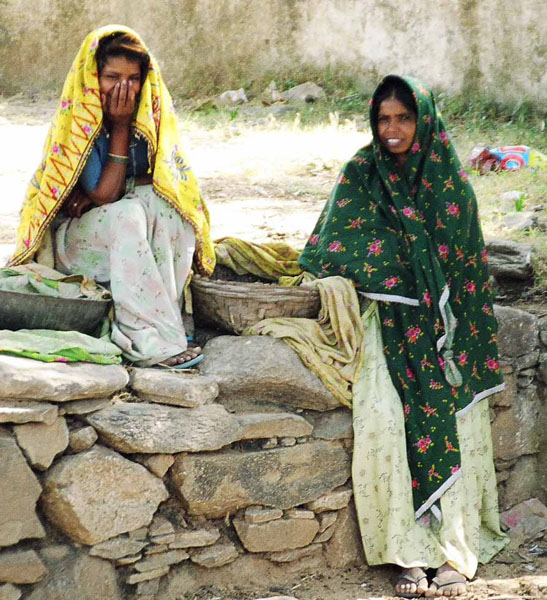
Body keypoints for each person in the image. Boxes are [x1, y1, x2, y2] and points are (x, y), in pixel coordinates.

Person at [299, 75, 508, 597]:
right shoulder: (361, 173)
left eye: (404, 118)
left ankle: (456, 550)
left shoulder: (450, 185)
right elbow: (333, 244)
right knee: (387, 424)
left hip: (446, 336)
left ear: (424, 121)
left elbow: (464, 266)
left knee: (454, 425)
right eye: (383, 119)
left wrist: (432, 294)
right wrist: (400, 270)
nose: (392, 129)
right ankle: (407, 551)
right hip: (387, 326)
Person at [9, 25, 215, 368]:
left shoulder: (150, 116)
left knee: (169, 208)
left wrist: (110, 193)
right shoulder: (82, 120)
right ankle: (146, 342)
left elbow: (165, 180)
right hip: (73, 248)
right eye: (111, 77)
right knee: (127, 213)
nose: (123, 87)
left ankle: (168, 325)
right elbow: (106, 194)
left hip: (117, 230)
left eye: (133, 78)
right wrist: (119, 128)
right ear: (93, 77)